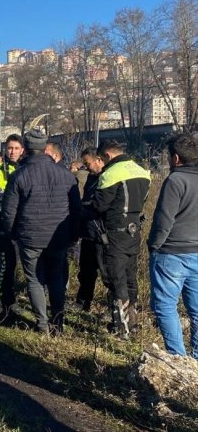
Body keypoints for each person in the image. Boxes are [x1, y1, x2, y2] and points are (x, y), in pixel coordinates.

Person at [1, 130, 81, 334]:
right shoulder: (65, 175)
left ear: (25, 149)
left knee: (34, 280)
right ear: (45, 148)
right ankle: (58, 323)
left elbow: (9, 212)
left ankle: (42, 325)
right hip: (58, 237)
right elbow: (75, 209)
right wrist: (73, 234)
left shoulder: (18, 176)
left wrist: (12, 234)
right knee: (56, 278)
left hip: (30, 236)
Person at [92, 139, 150, 338]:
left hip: (114, 232)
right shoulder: (142, 171)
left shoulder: (110, 174)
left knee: (116, 278)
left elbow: (99, 206)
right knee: (130, 276)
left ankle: (121, 327)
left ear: (107, 155)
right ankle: (133, 322)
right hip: (134, 231)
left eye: (101, 159)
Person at [147, 134, 198, 358]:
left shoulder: (175, 181)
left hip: (171, 253)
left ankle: (178, 358)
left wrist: (154, 245)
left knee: (165, 306)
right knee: (196, 312)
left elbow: (163, 220)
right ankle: (195, 361)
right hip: (197, 252)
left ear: (175, 158)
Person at [0, 134, 24, 315]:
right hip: (3, 224)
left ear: (22, 150)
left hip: (24, 223)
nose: (13, 152)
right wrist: (13, 199)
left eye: (16, 148)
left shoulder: (25, 168)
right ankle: (6, 302)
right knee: (8, 264)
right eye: (10, 148)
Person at [73, 148, 108, 312]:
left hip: (102, 233)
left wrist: (84, 208)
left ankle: (113, 310)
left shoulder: (107, 178)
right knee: (86, 271)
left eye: (88, 164)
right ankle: (82, 301)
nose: (86, 168)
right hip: (88, 231)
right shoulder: (91, 178)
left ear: (99, 160)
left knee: (107, 273)